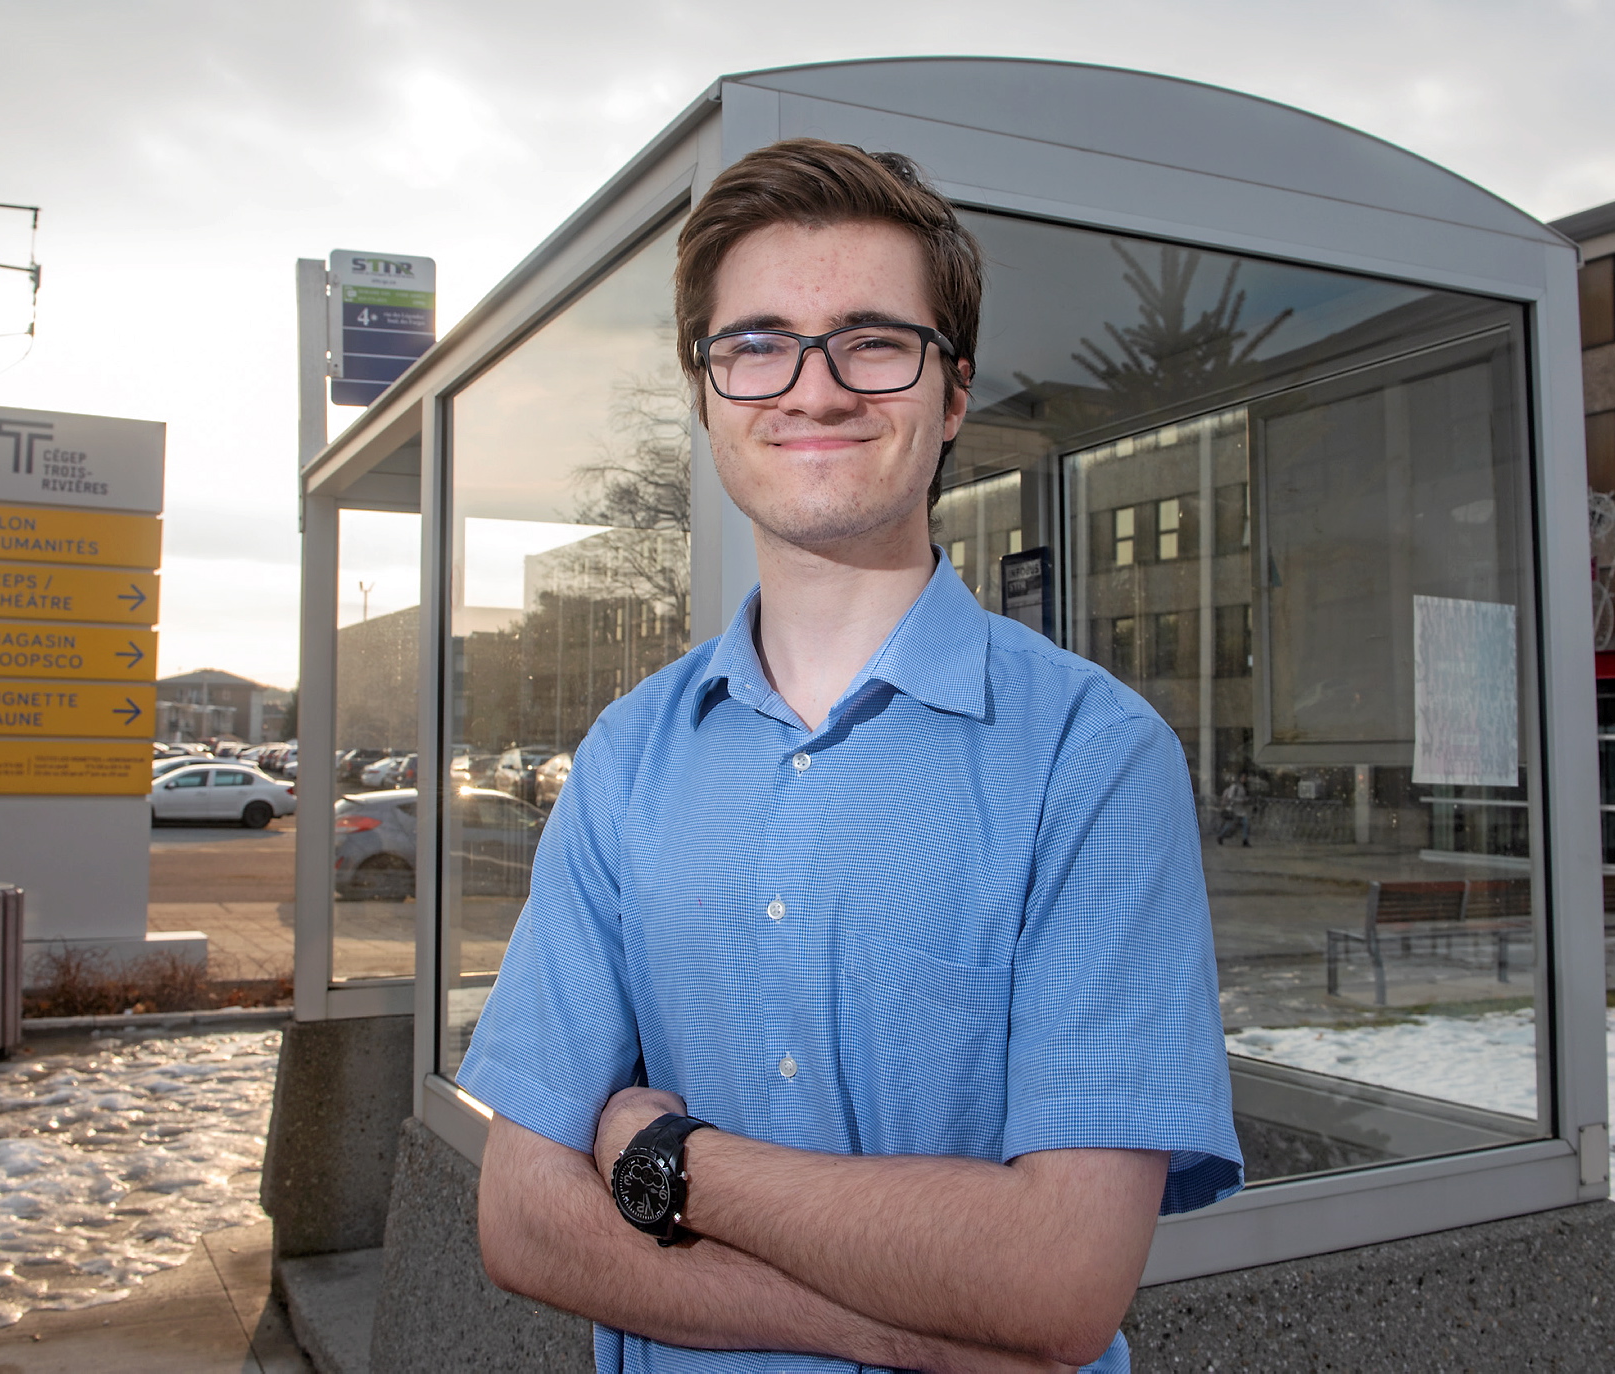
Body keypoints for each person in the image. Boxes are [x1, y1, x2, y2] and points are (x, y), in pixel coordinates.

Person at [460, 138, 1241, 1374]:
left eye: (873, 342)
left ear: (953, 393)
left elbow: (1057, 1279)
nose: (813, 391)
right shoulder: (627, 755)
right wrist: (935, 1334)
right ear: (706, 393)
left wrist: (670, 1164)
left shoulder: (1090, 757)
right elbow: (520, 1218)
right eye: (756, 344)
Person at [1216, 774, 1252, 847]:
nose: (1244, 779)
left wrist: (1245, 800)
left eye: (1245, 778)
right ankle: (1220, 836)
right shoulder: (1234, 787)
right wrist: (1240, 801)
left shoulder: (1242, 787)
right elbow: (1230, 797)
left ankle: (1245, 840)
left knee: (1245, 823)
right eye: (1242, 778)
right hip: (1234, 809)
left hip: (1241, 810)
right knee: (1230, 824)